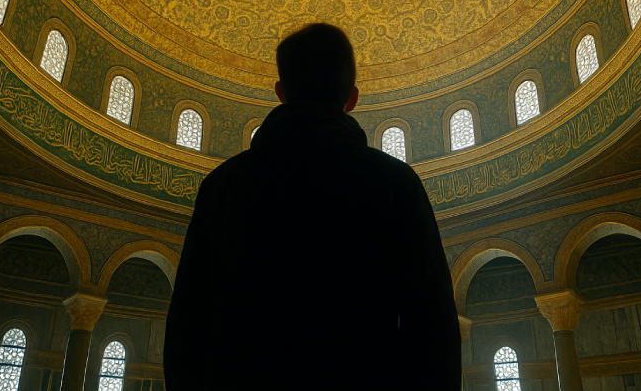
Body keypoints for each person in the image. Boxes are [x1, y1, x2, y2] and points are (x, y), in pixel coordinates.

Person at [164, 22, 462, 390]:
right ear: (351, 98)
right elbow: (434, 331)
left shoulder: (223, 187)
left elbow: (187, 330)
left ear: (280, 92)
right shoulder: (395, 184)